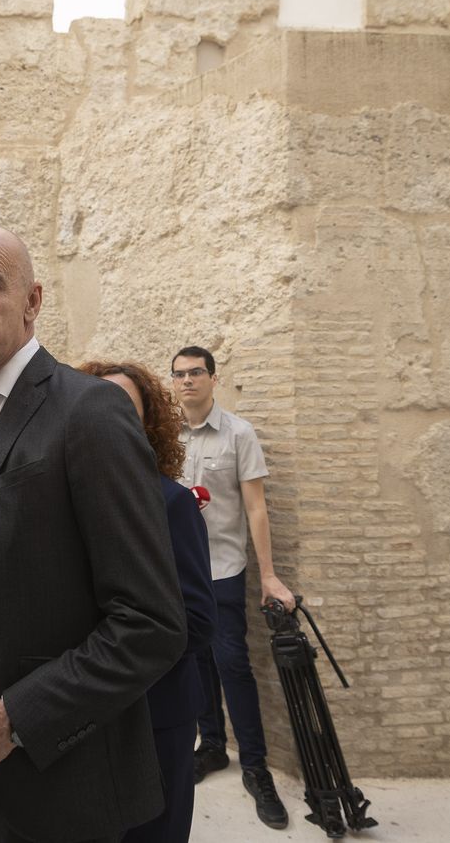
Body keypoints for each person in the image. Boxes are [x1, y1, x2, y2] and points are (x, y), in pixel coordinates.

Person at [0, 223, 185, 843]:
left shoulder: (88, 411)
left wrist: (14, 718)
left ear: (33, 301)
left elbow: (151, 624)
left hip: (71, 780)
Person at [78, 361, 217, 843]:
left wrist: (104, 659)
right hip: (79, 720)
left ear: (145, 425)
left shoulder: (171, 504)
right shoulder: (57, 505)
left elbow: (198, 621)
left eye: (121, 408)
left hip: (157, 715)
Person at [170, 344, 293, 830]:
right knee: (194, 662)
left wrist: (267, 574)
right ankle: (213, 748)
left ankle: (256, 766)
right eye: (178, 374)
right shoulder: (165, 436)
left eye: (196, 372)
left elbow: (256, 508)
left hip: (222, 568)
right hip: (181, 572)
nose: (187, 381)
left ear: (214, 378)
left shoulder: (239, 434)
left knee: (232, 663)